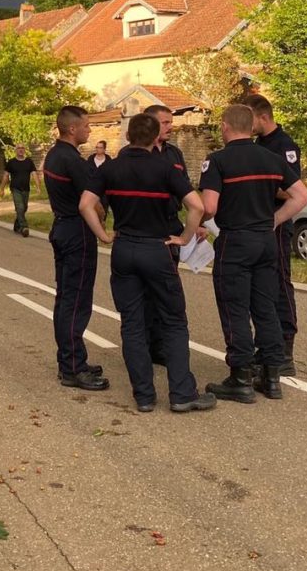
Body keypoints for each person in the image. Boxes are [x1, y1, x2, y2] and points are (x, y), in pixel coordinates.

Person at [79, 114, 215, 413]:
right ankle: (182, 393)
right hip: (156, 249)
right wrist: (184, 236)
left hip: (124, 248)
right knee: (174, 321)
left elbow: (85, 204)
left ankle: (144, 395)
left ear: (128, 135)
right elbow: (198, 206)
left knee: (132, 323)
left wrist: (103, 234)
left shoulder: (110, 168)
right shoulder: (167, 168)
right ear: (156, 138)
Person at [199, 104, 307, 403]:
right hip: (266, 241)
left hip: (235, 240)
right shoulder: (271, 158)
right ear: (251, 125)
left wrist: (197, 221)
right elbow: (301, 196)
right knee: (265, 307)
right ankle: (272, 376)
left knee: (235, 307)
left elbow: (209, 207)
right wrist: (276, 218)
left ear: (225, 126)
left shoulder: (217, 161)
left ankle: (240, 377)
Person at [43, 106, 109, 390]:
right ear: (72, 129)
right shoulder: (73, 160)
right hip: (77, 232)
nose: (90, 130)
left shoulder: (54, 155)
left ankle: (70, 360)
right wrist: (103, 222)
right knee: (77, 301)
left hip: (61, 226)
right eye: (86, 126)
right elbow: (91, 201)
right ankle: (72, 368)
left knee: (66, 297)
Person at [245, 93, 302, 376]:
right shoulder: (257, 144)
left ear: (262, 116)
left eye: (249, 118)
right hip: (258, 222)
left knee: (280, 281)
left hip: (278, 223)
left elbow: (291, 188)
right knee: (262, 285)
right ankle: (267, 346)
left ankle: (285, 349)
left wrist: (260, 186)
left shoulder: (284, 145)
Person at [140, 104, 190, 366]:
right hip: (145, 230)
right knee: (144, 292)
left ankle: (160, 346)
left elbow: (187, 191)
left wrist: (197, 224)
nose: (171, 127)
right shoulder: (133, 154)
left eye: (172, 122)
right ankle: (144, 345)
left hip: (171, 227)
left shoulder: (175, 153)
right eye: (166, 122)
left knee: (167, 291)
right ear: (149, 124)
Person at [0, 143, 41, 237]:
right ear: (15, 150)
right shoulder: (11, 162)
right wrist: (2, 189)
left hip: (26, 189)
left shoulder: (29, 162)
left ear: (24, 150)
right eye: (19, 148)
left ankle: (16, 225)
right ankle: (24, 227)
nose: (21, 150)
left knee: (24, 208)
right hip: (15, 189)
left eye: (22, 148)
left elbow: (34, 174)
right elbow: (6, 176)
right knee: (20, 207)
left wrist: (38, 187)